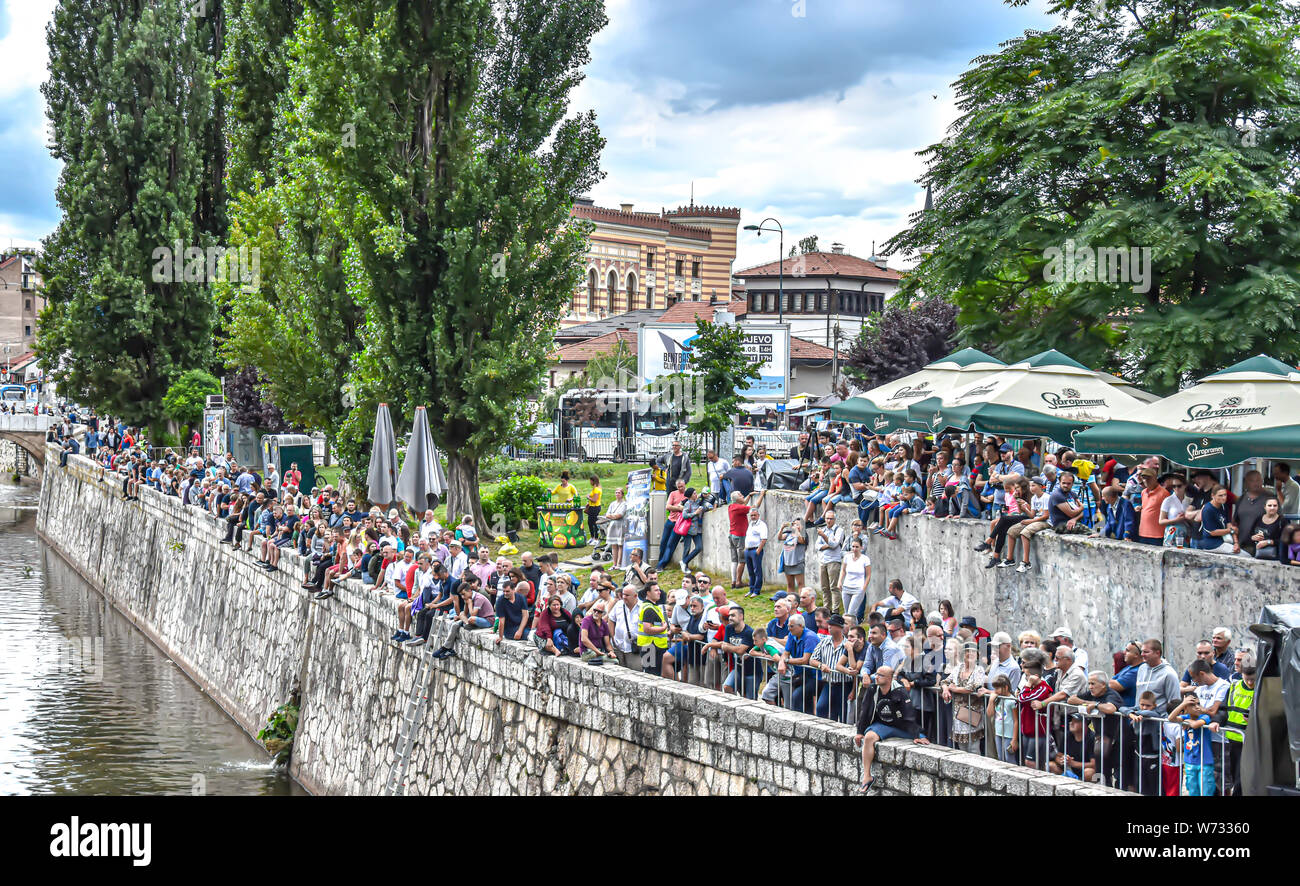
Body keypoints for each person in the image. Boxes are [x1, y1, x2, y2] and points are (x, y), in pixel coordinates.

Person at [853, 665, 929, 793]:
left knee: (923, 741)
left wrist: (917, 735)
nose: (876, 677)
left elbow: (909, 715)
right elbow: (864, 711)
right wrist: (859, 732)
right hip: (882, 724)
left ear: (889, 678)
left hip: (901, 727)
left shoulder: (899, 691)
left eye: (880, 675)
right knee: (869, 738)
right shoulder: (873, 688)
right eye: (876, 674)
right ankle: (867, 776)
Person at [815, 509, 845, 614]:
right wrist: (828, 544)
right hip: (823, 560)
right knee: (824, 587)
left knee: (834, 587)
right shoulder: (824, 529)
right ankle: (826, 608)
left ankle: (835, 610)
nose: (828, 521)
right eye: (827, 518)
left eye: (831, 519)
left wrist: (824, 537)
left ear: (835, 519)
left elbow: (834, 545)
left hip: (834, 560)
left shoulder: (839, 530)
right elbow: (817, 546)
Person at [607, 586, 643, 670]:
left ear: (635, 596)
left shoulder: (642, 607)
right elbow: (611, 619)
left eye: (627, 595)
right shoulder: (619, 605)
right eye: (623, 594)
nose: (624, 597)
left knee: (636, 674)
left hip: (634, 649)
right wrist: (613, 637)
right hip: (618, 647)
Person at [636, 583, 669, 675]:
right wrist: (663, 628)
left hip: (652, 646)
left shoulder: (652, 606)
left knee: (652, 674)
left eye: (659, 590)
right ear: (648, 593)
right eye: (656, 590)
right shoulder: (649, 609)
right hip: (651, 647)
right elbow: (647, 629)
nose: (659, 592)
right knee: (651, 675)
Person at [655, 478, 688, 569]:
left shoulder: (688, 494)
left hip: (679, 523)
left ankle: (662, 565)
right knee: (663, 542)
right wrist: (679, 508)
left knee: (670, 544)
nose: (680, 488)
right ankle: (660, 562)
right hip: (670, 521)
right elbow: (668, 506)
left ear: (685, 485)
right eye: (678, 487)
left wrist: (675, 508)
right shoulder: (673, 494)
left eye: (682, 486)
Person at [838, 537, 871, 622]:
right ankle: (851, 631)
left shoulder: (865, 559)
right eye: (853, 546)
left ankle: (853, 632)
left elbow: (868, 575)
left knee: (851, 613)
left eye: (857, 547)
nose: (854, 549)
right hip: (846, 587)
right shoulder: (847, 557)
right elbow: (843, 570)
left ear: (861, 547)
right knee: (847, 613)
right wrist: (840, 581)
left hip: (858, 589)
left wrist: (863, 588)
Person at [986, 675, 1018, 763]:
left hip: (1009, 734)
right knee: (1000, 757)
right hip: (998, 732)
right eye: (994, 688)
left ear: (1006, 687)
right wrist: (991, 701)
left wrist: (1014, 739)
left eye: (997, 688)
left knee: (1009, 758)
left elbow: (1016, 721)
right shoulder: (997, 698)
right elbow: (990, 714)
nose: (995, 691)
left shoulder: (1012, 701)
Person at [777, 517, 808, 597]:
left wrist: (797, 530)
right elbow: (780, 538)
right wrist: (782, 528)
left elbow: (801, 541)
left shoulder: (803, 535)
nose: (796, 526)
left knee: (800, 584)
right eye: (794, 524)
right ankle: (790, 602)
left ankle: (801, 603)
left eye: (798, 524)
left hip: (797, 563)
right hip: (787, 563)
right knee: (790, 585)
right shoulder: (789, 534)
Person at [742, 506, 768, 600]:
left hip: (755, 550)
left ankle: (757, 590)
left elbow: (764, 538)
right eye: (751, 515)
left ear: (758, 515)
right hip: (748, 550)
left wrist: (758, 550)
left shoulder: (762, 525)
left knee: (757, 571)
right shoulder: (751, 524)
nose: (753, 517)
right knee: (750, 571)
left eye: (754, 515)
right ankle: (751, 589)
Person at [494, 581, 531, 645]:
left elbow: (525, 615)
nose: (505, 593)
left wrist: (520, 630)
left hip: (522, 627)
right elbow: (501, 622)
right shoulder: (500, 601)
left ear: (514, 590)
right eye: (504, 591)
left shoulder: (521, 598)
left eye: (507, 591)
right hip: (510, 630)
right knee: (530, 636)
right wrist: (500, 636)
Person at [603, 487, 627, 566]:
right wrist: (612, 516)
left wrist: (611, 516)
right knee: (613, 545)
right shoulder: (612, 504)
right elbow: (607, 514)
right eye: (616, 492)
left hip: (620, 526)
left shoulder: (624, 504)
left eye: (619, 493)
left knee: (620, 545)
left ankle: (619, 564)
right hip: (612, 526)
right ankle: (614, 564)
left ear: (622, 494)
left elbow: (620, 515)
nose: (617, 494)